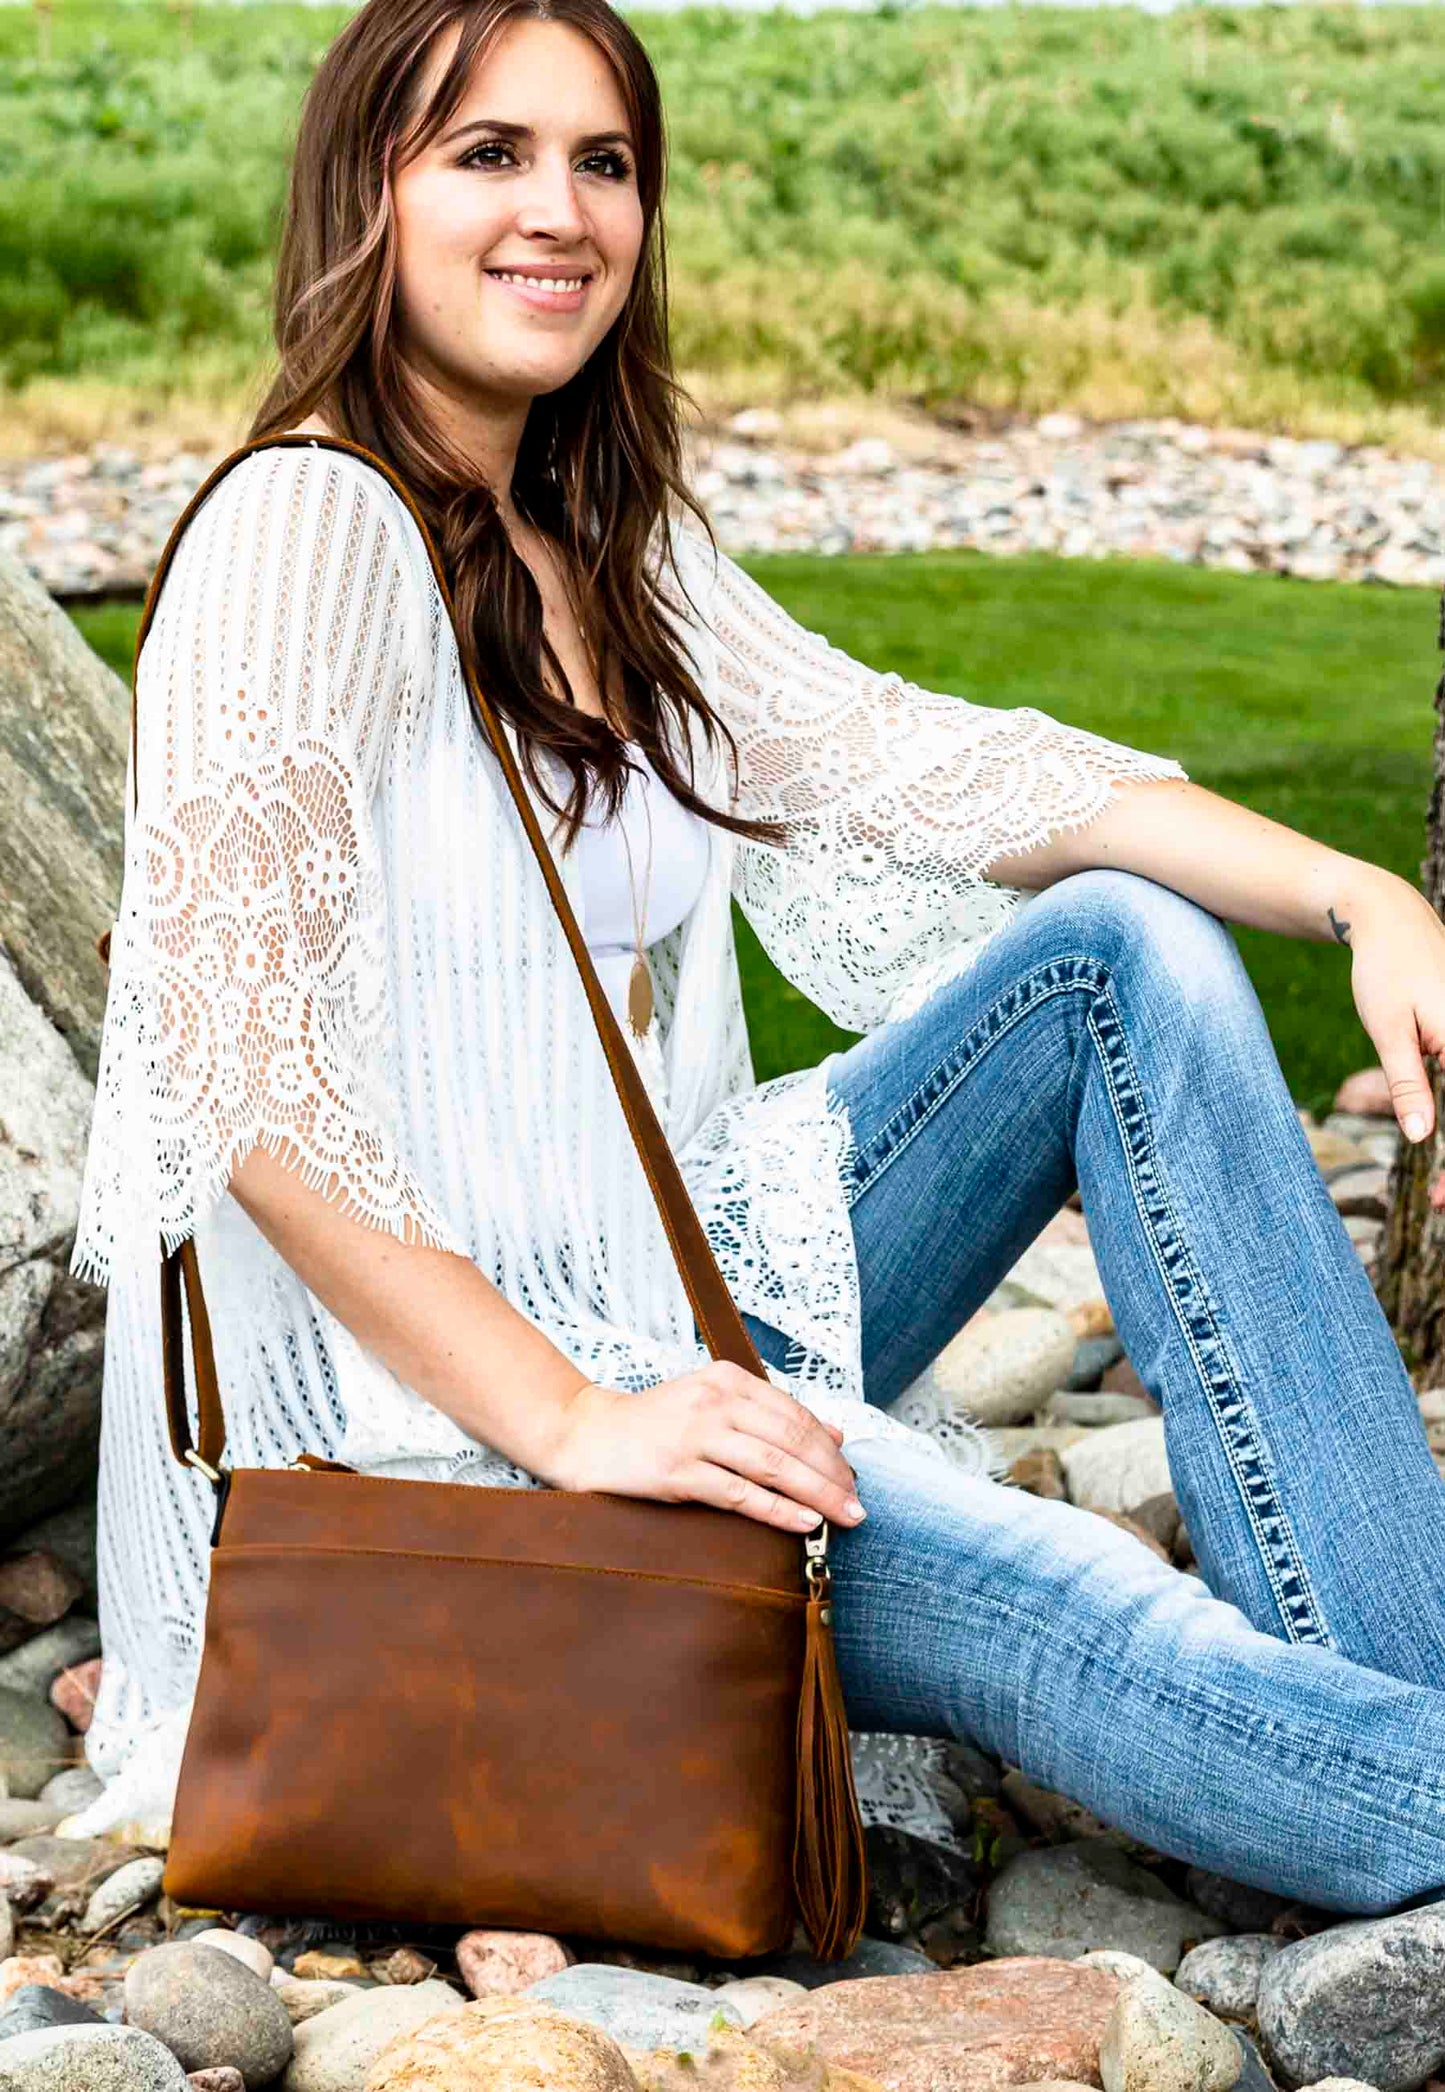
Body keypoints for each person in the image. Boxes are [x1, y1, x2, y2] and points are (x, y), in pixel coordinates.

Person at [70, 0, 1445, 1915]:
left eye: (603, 162)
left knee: (1118, 950)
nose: (560, 211)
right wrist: (570, 1417)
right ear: (360, 197)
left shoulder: (601, 538)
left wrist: (1359, 895)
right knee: (1074, 1607)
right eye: (488, 153)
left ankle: (1413, 1704)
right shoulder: (301, 533)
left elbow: (921, 758)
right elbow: (244, 1084)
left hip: (673, 1304)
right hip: (430, 1448)